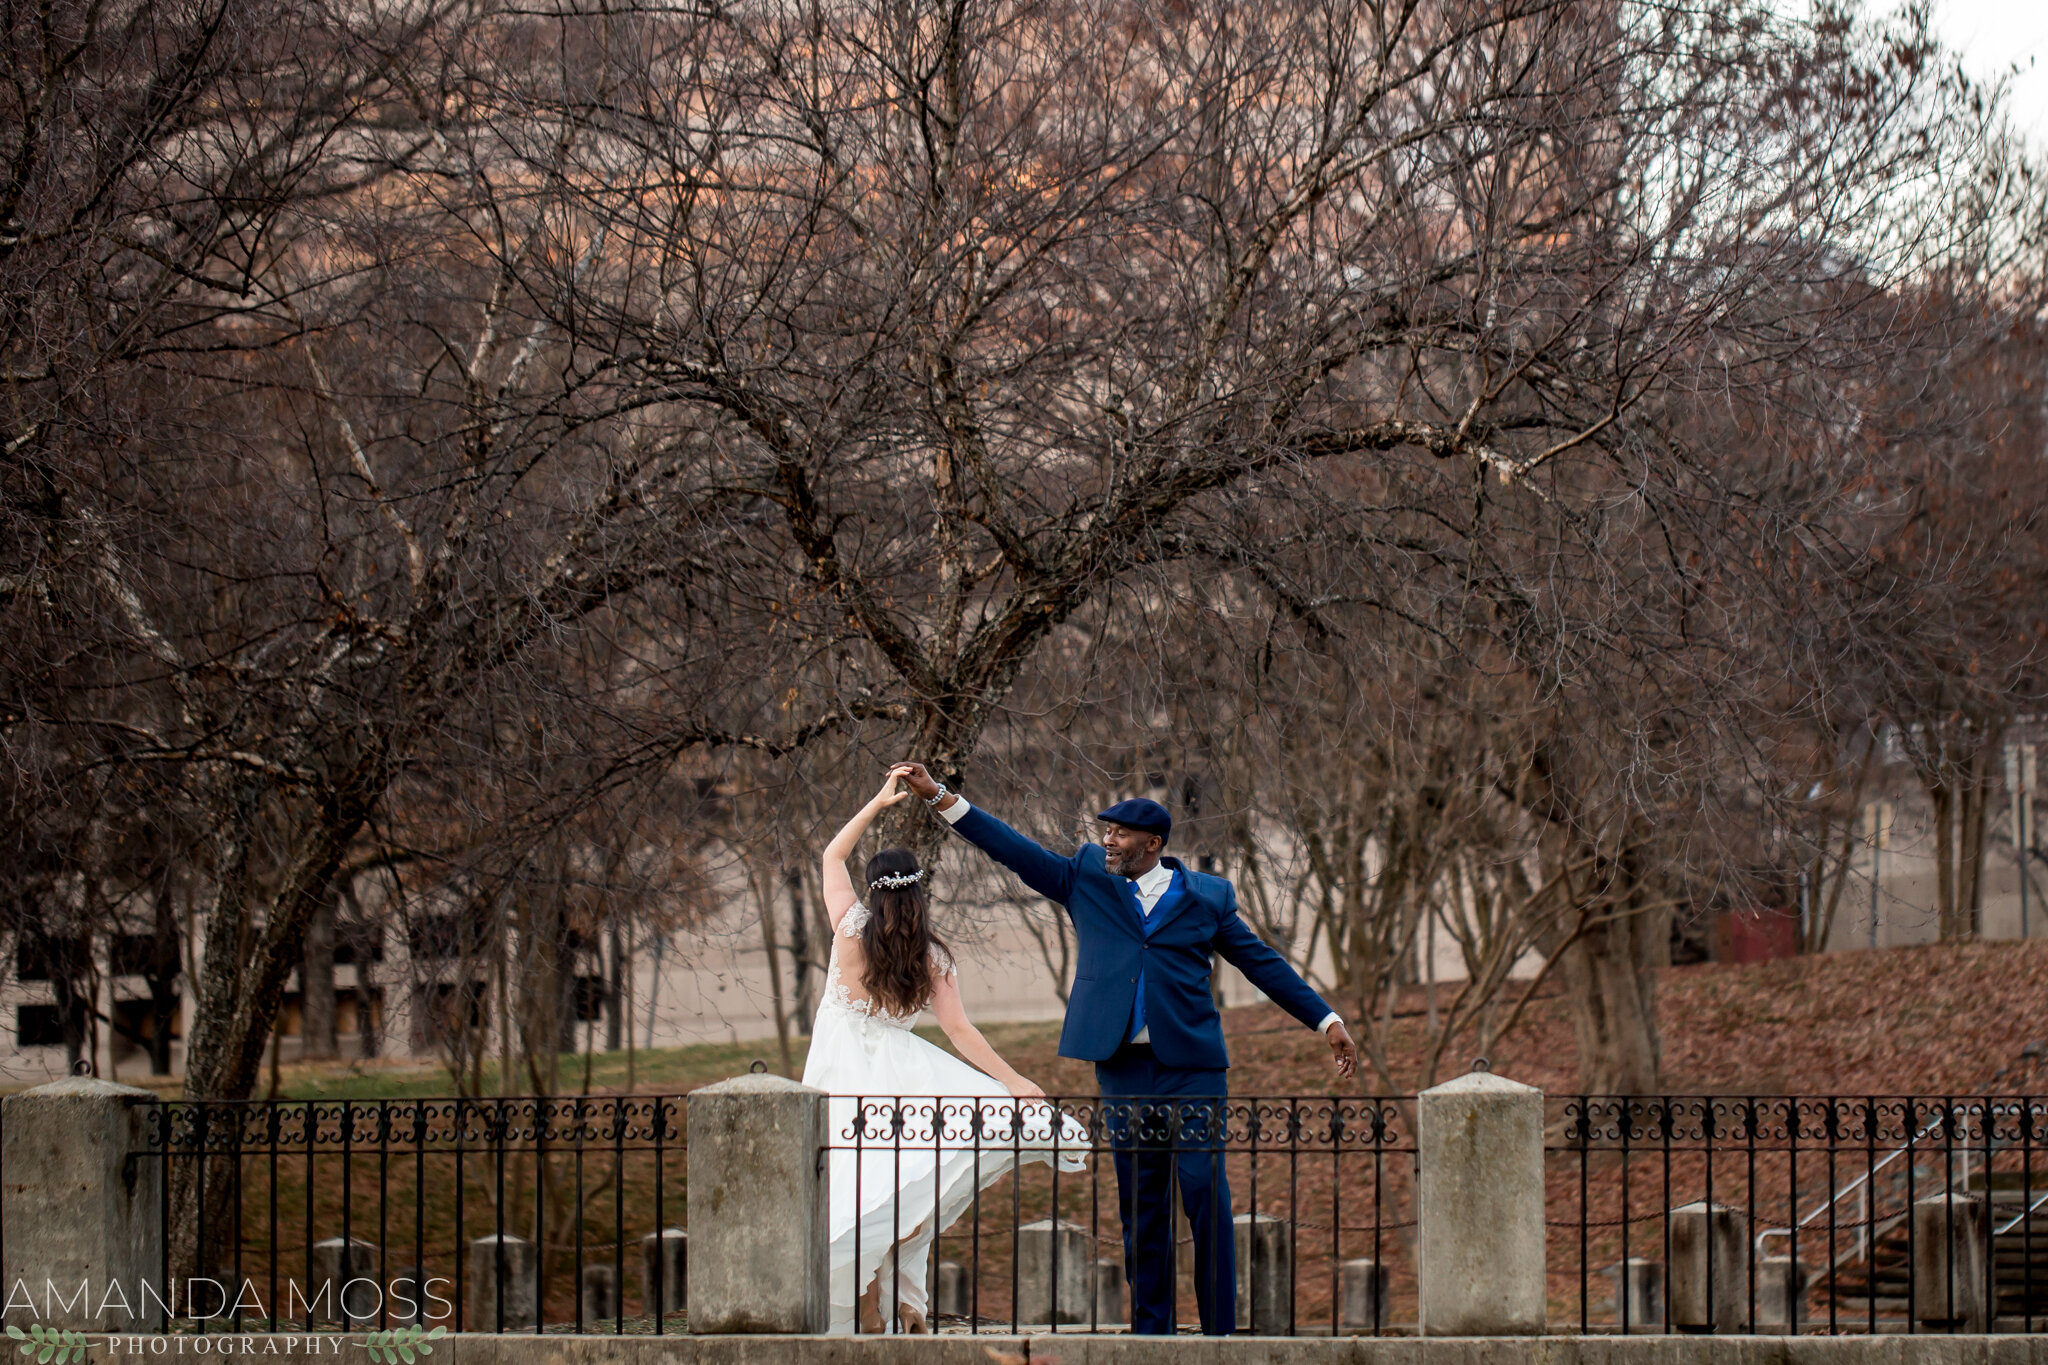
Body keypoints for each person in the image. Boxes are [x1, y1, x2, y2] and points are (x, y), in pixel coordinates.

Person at [893, 761, 1358, 1336]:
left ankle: (1220, 1335)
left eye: (1118, 833)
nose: (1106, 839)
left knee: (1202, 1189)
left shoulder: (1208, 897)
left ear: (1153, 843)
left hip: (1193, 1069)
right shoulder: (1086, 875)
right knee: (1141, 1205)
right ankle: (1152, 1335)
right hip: (1123, 1069)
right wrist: (940, 797)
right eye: (1105, 830)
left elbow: (1262, 962)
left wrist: (1325, 1019)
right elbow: (1011, 849)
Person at [805, 767, 1087, 1334]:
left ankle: (871, 1304)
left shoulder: (849, 929)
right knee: (902, 1189)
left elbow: (832, 857)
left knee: (858, 1190)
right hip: (903, 1074)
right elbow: (961, 1033)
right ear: (919, 891)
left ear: (872, 887)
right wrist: (1013, 1083)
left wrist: (876, 802)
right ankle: (903, 1301)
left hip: (845, 1075)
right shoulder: (933, 956)